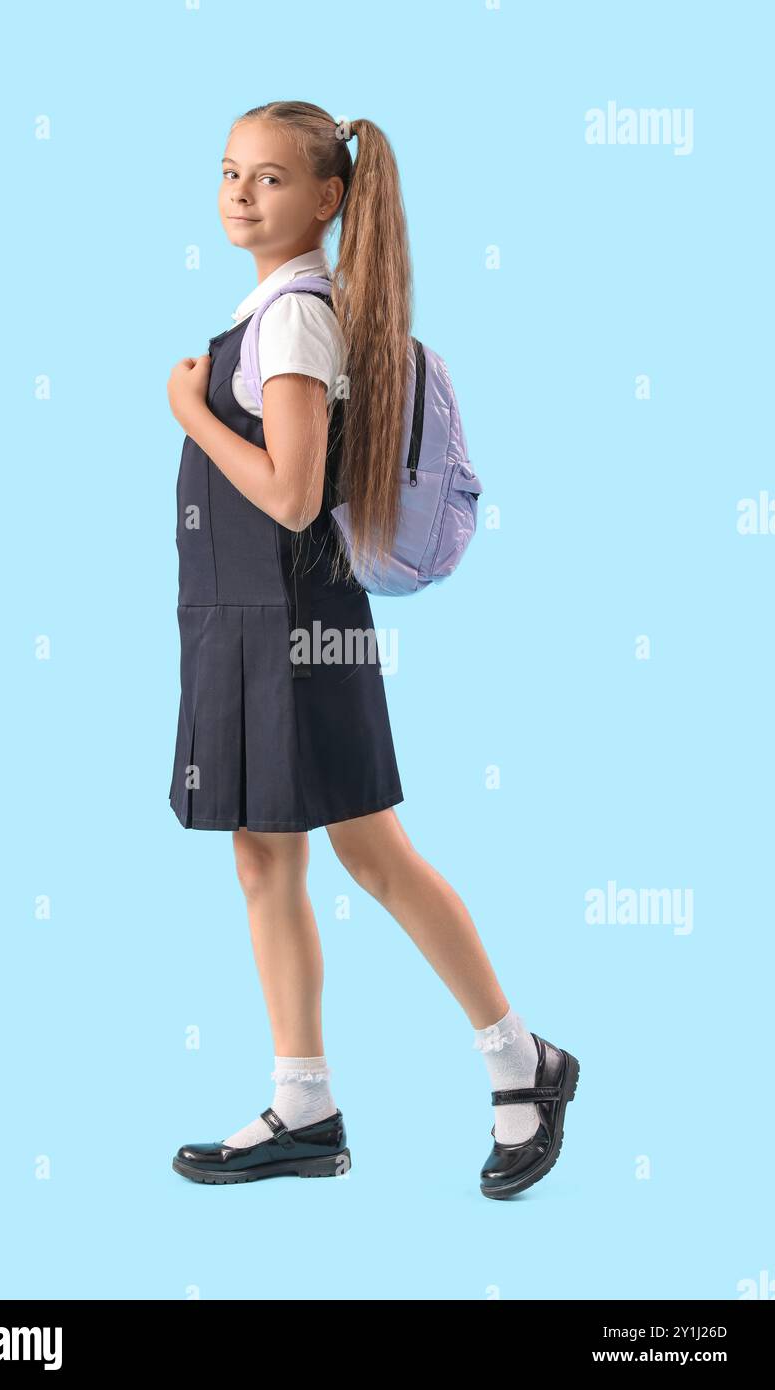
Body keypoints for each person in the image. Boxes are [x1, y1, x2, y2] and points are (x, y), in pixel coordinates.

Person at [166, 101, 579, 1198]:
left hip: (296, 626)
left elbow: (295, 500)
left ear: (329, 198)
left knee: (371, 853)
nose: (240, 194)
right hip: (243, 627)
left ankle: (520, 1061)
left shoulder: (295, 320)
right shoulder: (264, 314)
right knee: (263, 854)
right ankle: (304, 1105)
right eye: (227, 173)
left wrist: (188, 413)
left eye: (268, 178)